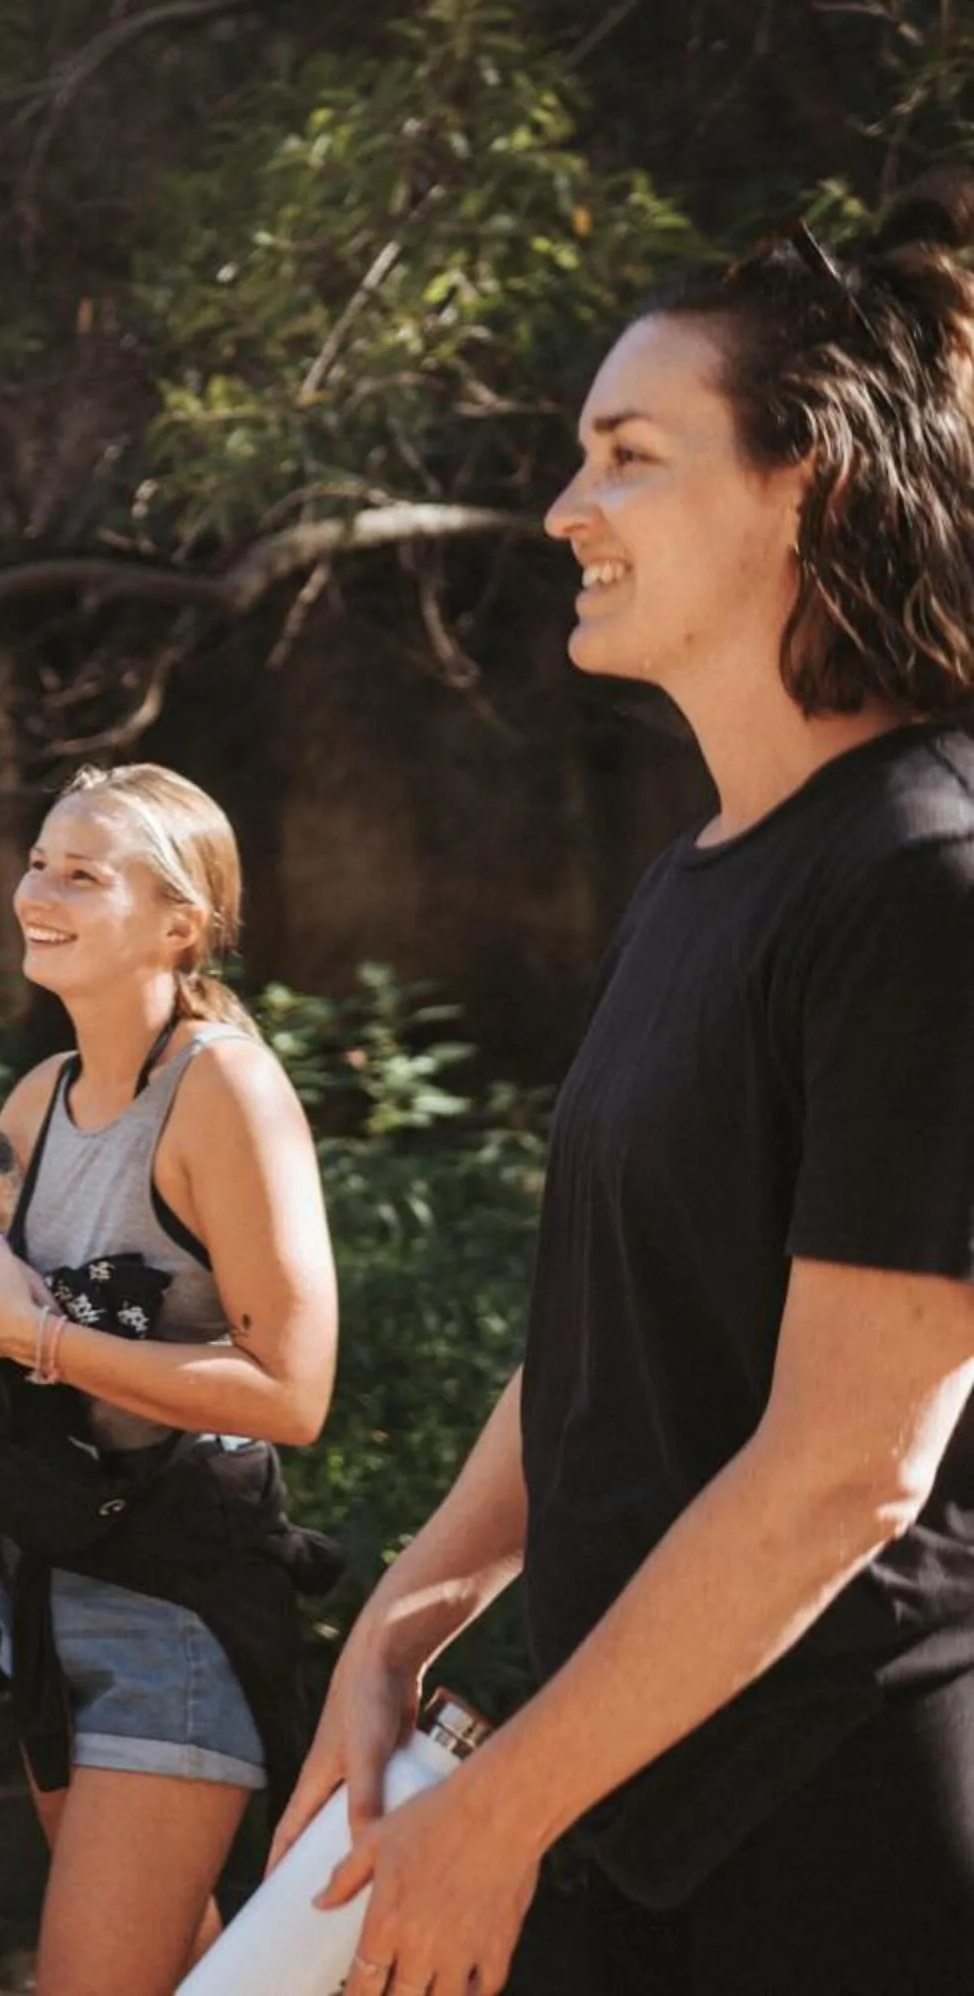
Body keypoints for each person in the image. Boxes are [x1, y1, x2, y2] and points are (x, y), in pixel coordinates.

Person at [276, 187, 974, 1996]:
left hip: (845, 1829)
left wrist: (499, 1817)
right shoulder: (698, 880)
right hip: (637, 1811)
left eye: (629, 455)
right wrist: (400, 1626)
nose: (566, 509)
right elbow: (610, 1333)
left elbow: (851, 1469)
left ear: (803, 482)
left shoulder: (929, 886)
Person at [0, 763, 339, 1996]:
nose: (38, 889)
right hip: (40, 1584)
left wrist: (42, 1336)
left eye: (83, 874)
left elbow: (294, 1390)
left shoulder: (224, 1090)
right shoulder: (36, 1100)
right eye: (38, 860)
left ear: (180, 921)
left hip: (171, 1603)